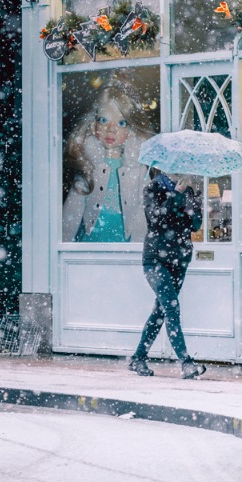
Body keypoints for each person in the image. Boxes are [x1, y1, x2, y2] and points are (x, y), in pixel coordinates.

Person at [128, 170, 206, 379]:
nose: (180, 171)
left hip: (179, 259)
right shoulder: (153, 188)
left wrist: (193, 201)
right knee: (171, 307)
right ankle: (186, 362)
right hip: (156, 259)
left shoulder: (189, 191)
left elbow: (195, 225)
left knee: (160, 311)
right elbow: (156, 219)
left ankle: (138, 358)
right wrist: (176, 195)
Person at [62, 80, 153, 243]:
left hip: (124, 242)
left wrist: (139, 248)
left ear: (131, 131)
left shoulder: (138, 168)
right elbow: (73, 210)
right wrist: (62, 244)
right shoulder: (89, 165)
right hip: (92, 240)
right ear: (93, 126)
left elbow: (143, 210)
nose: (111, 129)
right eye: (103, 120)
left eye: (121, 123)